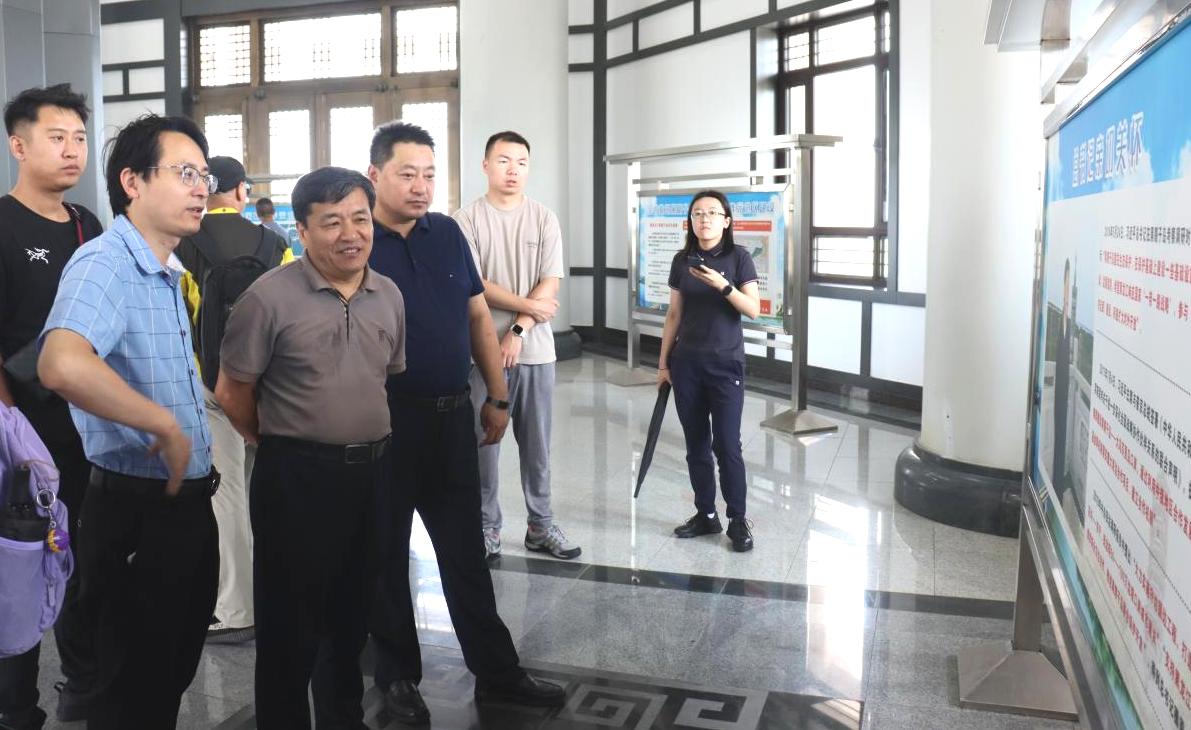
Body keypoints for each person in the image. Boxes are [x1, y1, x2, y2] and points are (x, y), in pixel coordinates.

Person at [367, 121, 566, 725]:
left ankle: (498, 672)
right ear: (375, 174)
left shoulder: (447, 233)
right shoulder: (359, 239)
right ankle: (398, 676)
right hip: (385, 427)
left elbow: (479, 316)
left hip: (451, 418)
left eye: (429, 174)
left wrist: (497, 396)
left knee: (466, 554)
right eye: (407, 173)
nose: (421, 186)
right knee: (385, 556)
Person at [36, 113, 219, 730]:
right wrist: (159, 423)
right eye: (185, 173)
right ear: (132, 181)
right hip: (136, 515)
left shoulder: (166, 270)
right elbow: (60, 362)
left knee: (164, 679)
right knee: (130, 697)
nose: (201, 188)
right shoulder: (105, 262)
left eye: (204, 175)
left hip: (183, 507)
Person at [216, 167, 405, 730]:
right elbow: (232, 392)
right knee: (289, 625)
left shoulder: (388, 294)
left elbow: (385, 377)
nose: (351, 234)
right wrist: (279, 439)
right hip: (296, 477)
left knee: (350, 619)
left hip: (372, 474)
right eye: (332, 222)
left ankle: (343, 719)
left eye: (360, 219)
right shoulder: (267, 299)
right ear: (301, 230)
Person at [0, 83, 102, 730]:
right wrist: (12, 433)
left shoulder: (88, 223)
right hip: (21, 440)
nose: (72, 151)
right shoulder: (3, 224)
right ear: (19, 146)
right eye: (56, 137)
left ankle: (84, 688)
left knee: (83, 564)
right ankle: (16, 707)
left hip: (86, 432)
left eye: (80, 139)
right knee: (20, 566)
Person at [176, 156, 290, 645]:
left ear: (205, 189)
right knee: (270, 492)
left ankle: (236, 607)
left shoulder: (184, 242)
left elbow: (180, 319)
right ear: (242, 191)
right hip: (269, 386)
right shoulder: (276, 243)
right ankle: (277, 592)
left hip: (210, 386)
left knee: (227, 498)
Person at [454, 131, 578, 562]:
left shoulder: (544, 217)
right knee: (484, 444)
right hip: (481, 353)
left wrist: (519, 329)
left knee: (537, 445)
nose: (513, 170)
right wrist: (529, 307)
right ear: (485, 165)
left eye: (522, 162)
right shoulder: (466, 220)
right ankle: (487, 527)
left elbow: (550, 281)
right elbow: (475, 284)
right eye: (504, 160)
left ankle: (540, 526)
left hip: (536, 352)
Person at [657, 190, 760, 553]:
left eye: (713, 213)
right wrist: (664, 363)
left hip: (725, 365)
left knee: (727, 444)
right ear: (690, 221)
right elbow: (674, 315)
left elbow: (753, 309)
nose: (705, 219)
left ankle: (737, 519)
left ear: (726, 221)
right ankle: (706, 515)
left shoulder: (739, 257)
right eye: (698, 213)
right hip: (687, 364)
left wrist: (723, 286)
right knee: (696, 445)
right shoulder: (682, 259)